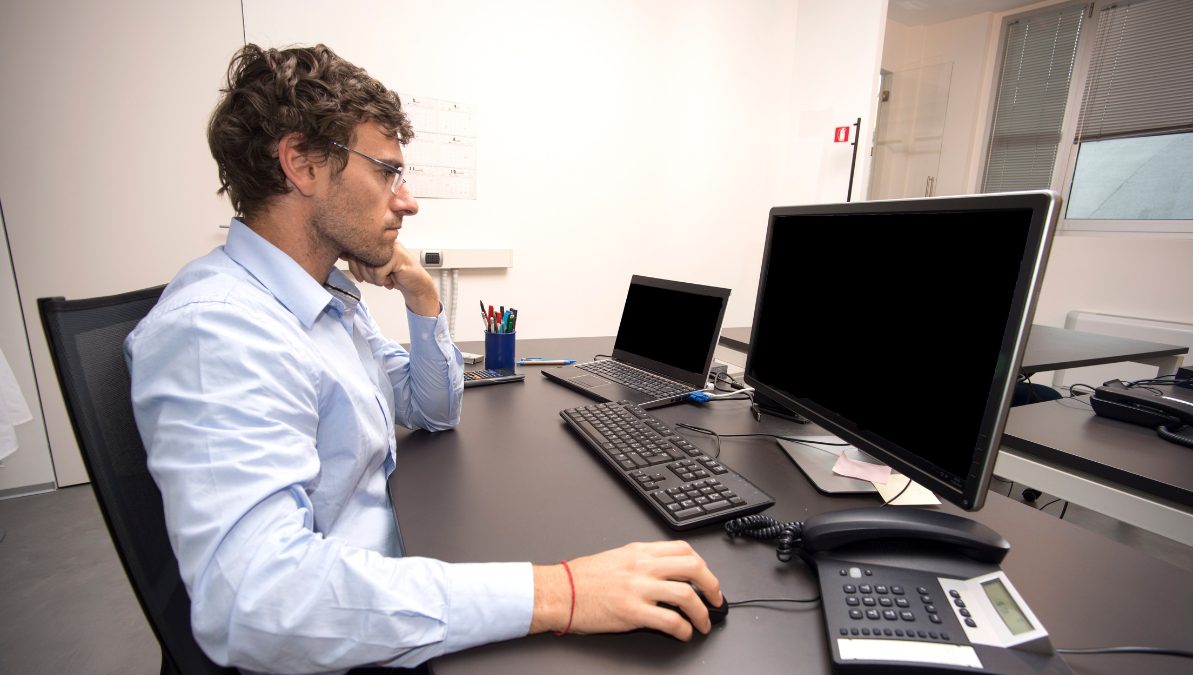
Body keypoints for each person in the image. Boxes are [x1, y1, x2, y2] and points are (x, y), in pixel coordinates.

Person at [125, 43, 722, 674]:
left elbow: (429, 409)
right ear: (301, 162)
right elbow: (256, 602)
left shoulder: (327, 298)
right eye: (386, 172)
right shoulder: (220, 331)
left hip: (389, 567)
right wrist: (558, 593)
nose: (406, 201)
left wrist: (422, 294)